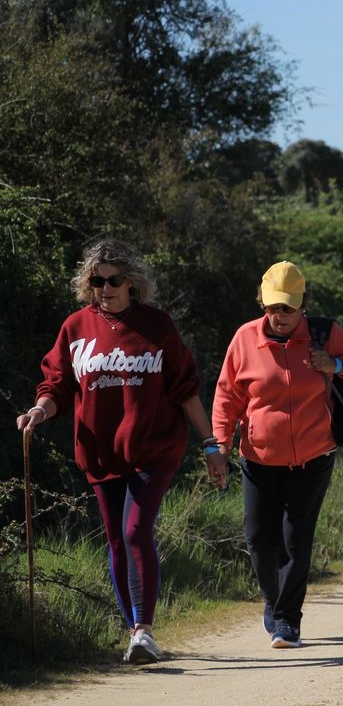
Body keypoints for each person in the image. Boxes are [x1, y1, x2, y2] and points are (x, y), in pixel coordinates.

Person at [16, 239, 216, 664]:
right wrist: (39, 410)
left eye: (113, 280)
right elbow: (57, 385)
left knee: (134, 531)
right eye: (96, 280)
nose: (104, 287)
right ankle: (135, 634)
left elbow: (185, 390)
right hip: (100, 452)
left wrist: (211, 444)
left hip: (153, 448)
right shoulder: (76, 327)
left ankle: (143, 630)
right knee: (115, 539)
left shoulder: (156, 326)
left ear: (132, 283)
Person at [212, 261, 343, 649]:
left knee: (295, 540)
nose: (279, 316)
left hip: (313, 458)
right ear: (261, 303)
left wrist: (335, 364)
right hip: (258, 458)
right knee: (257, 539)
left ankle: (287, 620)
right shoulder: (245, 338)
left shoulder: (323, 334)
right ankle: (272, 598)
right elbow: (227, 396)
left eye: (288, 307)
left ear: (303, 304)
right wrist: (219, 444)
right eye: (272, 307)